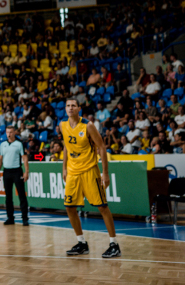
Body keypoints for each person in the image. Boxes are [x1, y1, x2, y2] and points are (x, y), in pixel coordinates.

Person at [61, 99, 120, 258]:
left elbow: (101, 147)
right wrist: (64, 167)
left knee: (102, 207)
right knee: (69, 207)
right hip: (73, 172)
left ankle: (114, 244)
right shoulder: (63, 125)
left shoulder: (88, 125)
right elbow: (66, 145)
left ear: (79, 108)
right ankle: (81, 243)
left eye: (74, 105)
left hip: (89, 170)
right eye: (68, 105)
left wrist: (105, 173)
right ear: (65, 109)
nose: (70, 108)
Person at [0, 126, 29, 226]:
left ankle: (25, 218)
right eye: (7, 132)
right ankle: (10, 218)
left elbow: (24, 158)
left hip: (17, 171)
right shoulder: (3, 145)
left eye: (11, 132)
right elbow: (0, 158)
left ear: (14, 132)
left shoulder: (19, 144)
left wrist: (26, 171)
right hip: (6, 171)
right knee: (8, 197)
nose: (9, 134)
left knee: (21, 195)